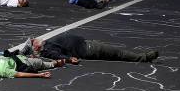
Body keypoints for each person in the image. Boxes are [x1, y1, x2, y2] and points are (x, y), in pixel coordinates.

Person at [18, 31, 159, 63]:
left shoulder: (46, 44)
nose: (35, 38)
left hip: (87, 44)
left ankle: (142, 57)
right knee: (118, 53)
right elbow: (57, 55)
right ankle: (143, 57)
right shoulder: (47, 50)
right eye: (33, 40)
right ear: (35, 47)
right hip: (89, 49)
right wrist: (69, 59)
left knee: (117, 52)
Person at [0, 54, 65, 80]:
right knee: (41, 63)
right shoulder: (2, 70)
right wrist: (40, 75)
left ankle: (34, 54)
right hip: (25, 63)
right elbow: (20, 74)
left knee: (30, 44)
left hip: (16, 56)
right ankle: (55, 63)